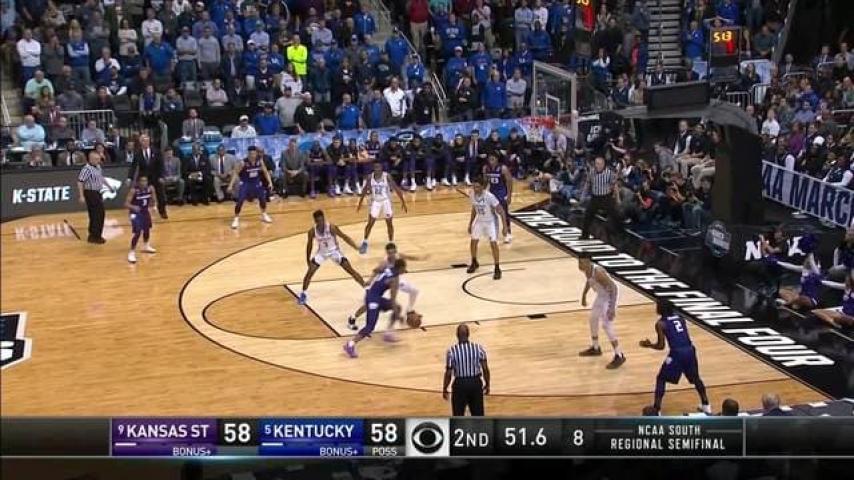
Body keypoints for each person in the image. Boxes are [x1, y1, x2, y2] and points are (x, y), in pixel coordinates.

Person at [640, 300, 712, 415]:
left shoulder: (660, 324)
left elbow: (661, 346)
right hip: (690, 350)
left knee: (661, 378)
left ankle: (657, 409)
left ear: (660, 309)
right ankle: (706, 405)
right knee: (696, 378)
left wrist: (649, 345)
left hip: (677, 353)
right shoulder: (681, 318)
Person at [347, 242, 423, 330]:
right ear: (387, 253)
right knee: (369, 304)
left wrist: (420, 258)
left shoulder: (398, 257)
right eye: (389, 253)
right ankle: (353, 317)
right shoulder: (384, 262)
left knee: (414, 290)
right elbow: (376, 271)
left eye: (393, 252)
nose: (391, 254)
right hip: (382, 283)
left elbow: (408, 258)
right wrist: (370, 280)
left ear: (396, 251)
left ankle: (409, 310)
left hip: (395, 281)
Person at [297, 210, 365, 306]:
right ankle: (303, 294)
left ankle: (367, 290)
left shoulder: (331, 227)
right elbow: (309, 245)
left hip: (334, 252)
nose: (321, 223)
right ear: (315, 221)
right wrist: (307, 259)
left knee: (351, 271)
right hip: (322, 253)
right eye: (318, 221)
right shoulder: (312, 231)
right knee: (309, 273)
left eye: (322, 220)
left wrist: (356, 247)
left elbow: (344, 237)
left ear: (324, 219)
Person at [344, 259, 407, 358]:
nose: (405, 270)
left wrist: (370, 280)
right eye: (404, 268)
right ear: (401, 268)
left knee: (398, 307)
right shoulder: (395, 279)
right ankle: (350, 344)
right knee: (370, 326)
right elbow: (393, 299)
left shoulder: (388, 269)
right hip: (373, 299)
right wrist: (399, 317)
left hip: (374, 296)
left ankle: (388, 333)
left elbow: (376, 270)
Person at [578, 256, 626, 369]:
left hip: (609, 298)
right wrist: (584, 295)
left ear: (588, 262)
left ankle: (619, 355)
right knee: (593, 319)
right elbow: (589, 281)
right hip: (601, 296)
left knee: (606, 326)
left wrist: (612, 308)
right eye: (579, 262)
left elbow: (614, 288)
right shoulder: (587, 271)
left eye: (582, 263)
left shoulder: (598, 272)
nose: (580, 265)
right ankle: (596, 348)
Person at [356, 161, 408, 254]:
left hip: (386, 201)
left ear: (381, 168)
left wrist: (403, 202)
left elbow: (396, 188)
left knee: (389, 223)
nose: (377, 169)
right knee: (370, 223)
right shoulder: (370, 177)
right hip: (375, 201)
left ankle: (391, 242)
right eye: (375, 167)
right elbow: (365, 189)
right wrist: (360, 203)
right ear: (373, 168)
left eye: (378, 167)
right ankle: (365, 242)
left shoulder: (387, 176)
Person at [442, 323, 490, 416]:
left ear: (457, 335)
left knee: (458, 415)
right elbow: (485, 368)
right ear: (468, 334)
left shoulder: (452, 351)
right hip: (475, 383)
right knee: (478, 415)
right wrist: (487, 384)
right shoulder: (479, 348)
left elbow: (448, 373)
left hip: (460, 384)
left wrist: (445, 388)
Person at [467, 179, 507, 280]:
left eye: (477, 187)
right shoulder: (472, 195)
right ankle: (474, 262)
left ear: (482, 187)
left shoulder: (489, 197)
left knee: (493, 244)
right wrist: (470, 223)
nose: (475, 189)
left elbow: (501, 211)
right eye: (474, 186)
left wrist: (505, 227)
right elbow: (474, 209)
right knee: (473, 241)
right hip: (480, 221)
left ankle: (497, 268)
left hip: (491, 222)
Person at [227, 146, 273, 229]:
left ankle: (264, 214)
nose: (252, 155)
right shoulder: (243, 162)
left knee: (262, 198)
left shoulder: (260, 161)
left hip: (256, 182)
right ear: (248, 154)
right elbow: (235, 173)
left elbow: (265, 172)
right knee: (240, 200)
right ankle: (236, 218)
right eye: (251, 154)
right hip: (246, 183)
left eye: (254, 154)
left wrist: (270, 182)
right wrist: (230, 185)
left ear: (256, 154)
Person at [77, 151, 114, 244]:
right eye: (96, 159)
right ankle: (95, 236)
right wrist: (81, 195)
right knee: (96, 214)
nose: (98, 161)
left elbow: (101, 178)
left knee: (99, 214)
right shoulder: (86, 169)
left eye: (99, 159)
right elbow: (80, 182)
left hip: (97, 192)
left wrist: (109, 186)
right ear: (91, 159)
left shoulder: (98, 167)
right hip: (90, 193)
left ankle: (95, 235)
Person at [128, 134, 168, 219]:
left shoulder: (156, 151)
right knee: (138, 195)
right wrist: (129, 178)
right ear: (140, 142)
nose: (145, 142)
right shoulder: (137, 153)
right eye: (143, 141)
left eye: (147, 140)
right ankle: (139, 211)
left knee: (160, 194)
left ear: (149, 141)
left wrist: (161, 176)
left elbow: (161, 165)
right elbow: (133, 166)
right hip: (143, 178)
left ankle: (162, 211)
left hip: (156, 177)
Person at [778, 235, 822, 310]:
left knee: (801, 298)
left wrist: (811, 258)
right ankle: (793, 303)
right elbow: (796, 268)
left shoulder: (814, 262)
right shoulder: (805, 265)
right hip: (801, 295)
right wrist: (778, 263)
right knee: (781, 291)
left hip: (811, 299)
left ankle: (787, 303)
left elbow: (818, 273)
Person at [581, 156, 618, 239]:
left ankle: (618, 234)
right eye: (596, 164)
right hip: (595, 198)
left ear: (603, 164)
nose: (597, 165)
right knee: (588, 215)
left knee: (614, 215)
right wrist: (583, 195)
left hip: (606, 197)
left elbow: (614, 185)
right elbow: (588, 183)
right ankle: (584, 235)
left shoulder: (609, 173)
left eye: (599, 164)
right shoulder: (592, 172)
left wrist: (616, 197)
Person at [124, 175, 157, 264]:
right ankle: (131, 252)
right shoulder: (134, 190)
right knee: (138, 232)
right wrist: (133, 207)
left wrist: (154, 206)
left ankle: (146, 245)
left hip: (145, 212)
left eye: (145, 181)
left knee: (147, 229)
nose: (144, 183)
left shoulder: (150, 189)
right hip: (134, 213)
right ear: (138, 182)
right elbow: (126, 203)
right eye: (142, 181)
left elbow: (153, 199)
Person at [483, 154, 513, 244]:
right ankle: (494, 232)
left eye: (493, 159)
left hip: (501, 192)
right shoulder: (486, 168)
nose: (491, 161)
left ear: (497, 159)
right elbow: (485, 181)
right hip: (492, 193)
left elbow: (509, 182)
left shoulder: (503, 168)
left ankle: (508, 233)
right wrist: (483, 192)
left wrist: (509, 195)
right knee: (491, 213)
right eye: (489, 159)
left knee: (504, 213)